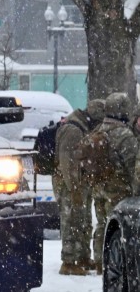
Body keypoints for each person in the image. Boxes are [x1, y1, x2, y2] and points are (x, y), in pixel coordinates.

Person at [89, 92, 137, 273]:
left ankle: (100, 261)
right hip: (118, 190)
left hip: (98, 186)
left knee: (101, 224)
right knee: (118, 228)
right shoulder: (125, 135)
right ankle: (114, 263)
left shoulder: (98, 130)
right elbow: (132, 167)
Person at [55, 99, 101, 274]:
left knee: (84, 221)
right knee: (71, 222)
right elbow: (67, 164)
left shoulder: (83, 126)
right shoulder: (74, 130)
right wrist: (74, 189)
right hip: (69, 184)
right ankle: (67, 262)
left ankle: (82, 257)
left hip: (80, 183)